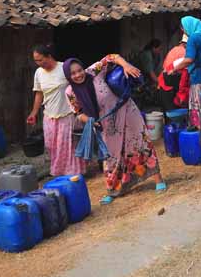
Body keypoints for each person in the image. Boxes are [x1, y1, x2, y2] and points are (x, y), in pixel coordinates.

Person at [64, 56, 166, 204]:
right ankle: (113, 190)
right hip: (106, 124)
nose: (78, 75)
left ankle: (158, 180)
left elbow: (112, 57)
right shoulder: (70, 92)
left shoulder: (93, 71)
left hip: (126, 109)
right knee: (111, 157)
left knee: (141, 143)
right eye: (73, 73)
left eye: (79, 70)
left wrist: (126, 66)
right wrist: (90, 121)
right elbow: (78, 113)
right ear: (68, 75)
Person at [27, 44, 81, 176]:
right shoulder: (39, 73)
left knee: (67, 147)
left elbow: (78, 84)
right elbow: (39, 93)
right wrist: (33, 113)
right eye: (36, 60)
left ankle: (73, 173)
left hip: (66, 114)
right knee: (52, 146)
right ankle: (59, 173)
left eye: (40, 60)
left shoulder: (64, 68)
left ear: (49, 56)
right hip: (49, 116)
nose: (38, 63)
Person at [170, 16, 201, 128]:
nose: (184, 31)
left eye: (183, 29)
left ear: (189, 26)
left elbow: (189, 59)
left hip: (200, 79)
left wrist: (175, 69)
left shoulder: (193, 38)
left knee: (200, 110)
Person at [158, 33, 189, 111]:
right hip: (170, 83)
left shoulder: (174, 49)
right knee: (174, 112)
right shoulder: (184, 52)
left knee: (168, 112)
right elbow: (185, 74)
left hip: (164, 83)